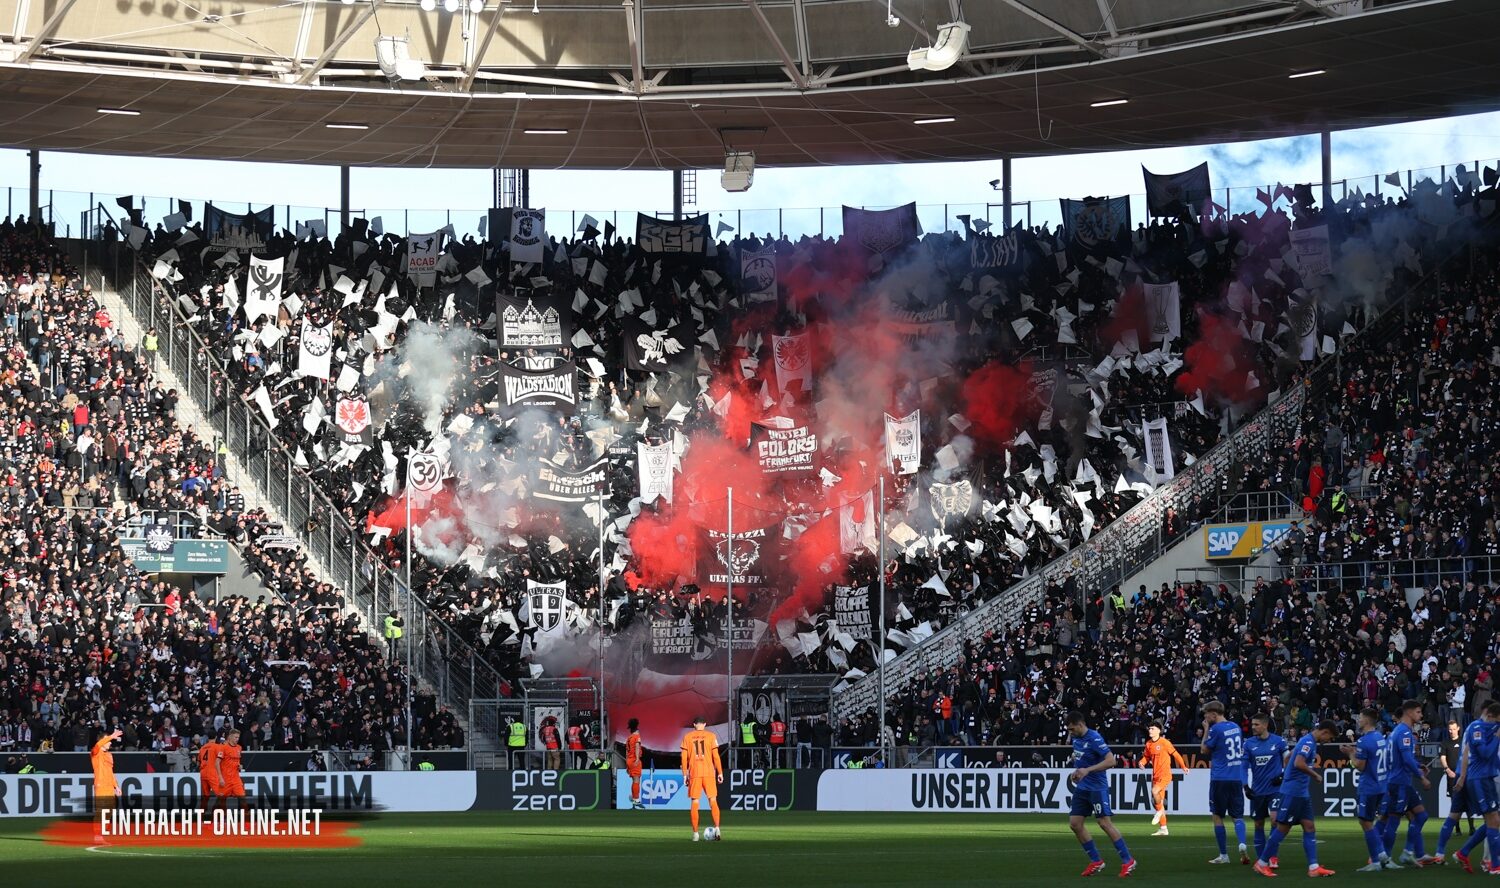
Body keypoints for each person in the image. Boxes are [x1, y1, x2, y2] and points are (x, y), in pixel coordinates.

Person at [1253, 721, 1337, 878]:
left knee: (1309, 827)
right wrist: (1315, 775)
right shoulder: (1308, 742)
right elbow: (1298, 763)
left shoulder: (1307, 741)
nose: (1328, 741)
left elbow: (1289, 757)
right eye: (1330, 737)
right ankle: (1262, 863)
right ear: (1324, 731)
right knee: (1283, 829)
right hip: (1293, 793)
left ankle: (1313, 867)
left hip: (1302, 793)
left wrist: (1287, 774)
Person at [1064, 711, 1136, 877]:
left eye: (1072, 729)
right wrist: (1077, 772)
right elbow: (1082, 761)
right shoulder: (1076, 739)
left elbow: (1111, 761)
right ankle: (1096, 861)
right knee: (1075, 824)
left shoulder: (1094, 738)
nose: (1070, 732)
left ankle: (1128, 860)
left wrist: (1087, 770)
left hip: (1097, 788)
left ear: (1080, 725)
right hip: (1082, 788)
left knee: (1104, 823)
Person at [1342, 707, 1398, 871]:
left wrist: (1350, 754)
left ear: (1366, 720)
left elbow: (1360, 766)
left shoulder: (1363, 741)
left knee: (1365, 822)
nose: (1358, 720)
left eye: (1360, 717)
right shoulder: (1380, 737)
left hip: (1369, 786)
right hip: (1381, 785)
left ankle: (1379, 855)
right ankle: (1378, 859)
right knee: (1378, 819)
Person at [1381, 699, 1434, 866]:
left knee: (1421, 815)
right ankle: (1385, 858)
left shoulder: (1397, 732)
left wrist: (1418, 765)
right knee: (1393, 819)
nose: (1421, 715)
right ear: (1409, 713)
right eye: (1418, 712)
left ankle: (1408, 852)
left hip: (1402, 781)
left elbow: (1401, 758)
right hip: (1399, 782)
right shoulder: (1404, 732)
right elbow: (1406, 759)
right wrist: (1421, 776)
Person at [1450, 702, 1500, 873]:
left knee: (1493, 820)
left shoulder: (1488, 727)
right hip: (1480, 779)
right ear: (1491, 715)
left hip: (1487, 778)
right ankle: (1494, 865)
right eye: (1497, 720)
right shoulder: (1476, 728)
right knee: (1493, 820)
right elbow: (1484, 753)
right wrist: (1497, 737)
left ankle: (1464, 853)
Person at [1200, 701, 1249, 864]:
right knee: (1237, 816)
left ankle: (1224, 855)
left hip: (1220, 778)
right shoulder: (1236, 727)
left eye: (1207, 714)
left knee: (1217, 815)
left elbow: (1204, 749)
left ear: (1214, 714)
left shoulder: (1215, 729)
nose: (1205, 717)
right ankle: (1242, 843)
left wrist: (1206, 730)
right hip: (1236, 778)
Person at [1242, 712, 1287, 864]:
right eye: (1252, 724)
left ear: (1265, 725)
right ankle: (1262, 859)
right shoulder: (1248, 744)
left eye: (1256, 724)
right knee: (1258, 824)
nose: (1253, 727)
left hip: (1275, 790)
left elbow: (1289, 760)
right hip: (1258, 790)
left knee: (1275, 820)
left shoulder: (1279, 741)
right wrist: (1245, 786)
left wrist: (1283, 775)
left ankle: (1272, 857)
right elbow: (1243, 767)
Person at [1140, 722, 1188, 836]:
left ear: (1158, 730)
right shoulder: (1148, 744)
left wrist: (1183, 766)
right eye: (1149, 728)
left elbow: (1176, 755)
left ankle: (1159, 812)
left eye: (1152, 728)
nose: (1150, 730)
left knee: (1154, 791)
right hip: (1155, 776)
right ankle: (1163, 828)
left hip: (1165, 775)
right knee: (1158, 802)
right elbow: (1146, 757)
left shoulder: (1165, 743)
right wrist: (1142, 762)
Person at [680, 716, 723, 842]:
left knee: (695, 802)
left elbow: (683, 758)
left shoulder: (687, 737)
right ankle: (717, 828)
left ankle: (695, 834)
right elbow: (716, 756)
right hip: (709, 772)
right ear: (704, 724)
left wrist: (684, 774)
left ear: (694, 724)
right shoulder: (711, 736)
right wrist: (720, 772)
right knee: (713, 800)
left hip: (695, 773)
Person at [91, 728, 122, 812]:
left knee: (108, 814)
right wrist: (111, 736)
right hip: (101, 786)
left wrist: (116, 786)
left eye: (110, 740)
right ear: (102, 741)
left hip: (110, 787)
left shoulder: (109, 755)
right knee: (101, 814)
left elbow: (111, 772)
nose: (110, 742)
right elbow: (98, 745)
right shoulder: (95, 753)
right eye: (108, 740)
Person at [214, 728, 245, 809]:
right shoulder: (223, 747)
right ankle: (215, 814)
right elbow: (217, 763)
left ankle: (247, 815)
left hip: (236, 778)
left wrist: (239, 766)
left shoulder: (239, 748)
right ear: (230, 737)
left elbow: (237, 761)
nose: (237, 739)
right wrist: (220, 777)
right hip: (225, 778)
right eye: (235, 737)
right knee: (221, 800)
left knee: (242, 797)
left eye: (238, 737)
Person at [198, 734, 222, 813]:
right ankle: (217, 812)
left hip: (203, 772)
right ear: (216, 737)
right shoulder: (217, 747)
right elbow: (221, 759)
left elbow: (199, 761)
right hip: (212, 772)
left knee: (205, 795)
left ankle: (201, 814)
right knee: (221, 794)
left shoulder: (202, 748)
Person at [626, 718, 644, 810]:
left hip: (629, 760)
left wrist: (627, 764)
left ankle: (634, 802)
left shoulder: (629, 738)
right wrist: (637, 759)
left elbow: (627, 751)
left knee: (634, 781)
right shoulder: (637, 736)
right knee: (637, 780)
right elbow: (637, 747)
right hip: (634, 760)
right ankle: (636, 800)